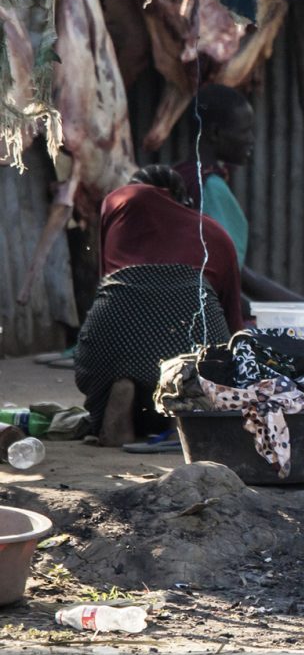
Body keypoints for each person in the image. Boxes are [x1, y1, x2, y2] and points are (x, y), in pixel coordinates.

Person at [74, 165, 247, 449]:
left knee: (121, 361)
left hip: (110, 340)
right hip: (188, 336)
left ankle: (121, 391)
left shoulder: (118, 206)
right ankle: (181, 413)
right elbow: (232, 325)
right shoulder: (215, 234)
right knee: (199, 374)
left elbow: (105, 284)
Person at [172, 85, 304, 302]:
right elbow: (229, 275)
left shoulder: (182, 175)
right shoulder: (210, 187)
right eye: (244, 131)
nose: (251, 140)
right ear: (215, 133)